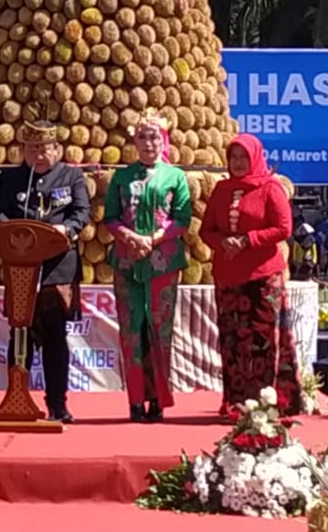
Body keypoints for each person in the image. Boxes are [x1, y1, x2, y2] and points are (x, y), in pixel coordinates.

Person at [0, 120, 90, 424]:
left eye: (44, 148)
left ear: (56, 149)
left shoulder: (71, 176)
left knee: (55, 337)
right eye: (32, 149)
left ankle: (57, 403)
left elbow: (81, 213)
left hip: (57, 269)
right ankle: (17, 397)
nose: (38, 155)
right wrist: (12, 230)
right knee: (20, 334)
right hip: (21, 267)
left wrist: (66, 230)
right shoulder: (11, 178)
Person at [201, 132, 300, 417]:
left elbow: (284, 228)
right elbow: (206, 229)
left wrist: (248, 239)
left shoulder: (271, 187)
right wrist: (222, 242)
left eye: (244, 157)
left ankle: (267, 405)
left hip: (262, 279)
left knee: (264, 343)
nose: (239, 162)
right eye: (234, 157)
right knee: (232, 343)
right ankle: (236, 403)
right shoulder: (221, 190)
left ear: (255, 157)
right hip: (228, 278)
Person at [104, 111, 192, 423]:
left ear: (163, 140)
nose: (148, 143)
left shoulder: (176, 176)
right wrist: (129, 237)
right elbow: (110, 217)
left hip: (162, 263)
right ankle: (134, 401)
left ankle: (158, 399)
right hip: (128, 263)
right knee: (131, 331)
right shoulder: (121, 177)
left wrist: (153, 239)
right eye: (142, 137)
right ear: (134, 142)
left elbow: (182, 218)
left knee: (159, 330)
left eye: (154, 137)